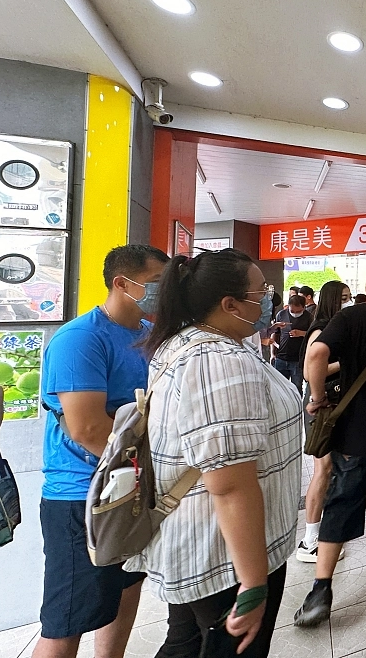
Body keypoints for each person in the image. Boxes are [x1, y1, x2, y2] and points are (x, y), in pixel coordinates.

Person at [128, 248, 302, 658]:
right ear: (230, 304)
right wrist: (253, 583)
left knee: (186, 644)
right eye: (262, 292)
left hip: (211, 545)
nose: (268, 300)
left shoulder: (191, 342)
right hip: (223, 555)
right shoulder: (217, 359)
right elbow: (229, 484)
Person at [33, 244, 168, 658]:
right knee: (68, 619)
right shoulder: (80, 339)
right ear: (122, 284)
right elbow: (87, 428)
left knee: (125, 589)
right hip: (82, 498)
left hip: (128, 488)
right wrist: (147, 465)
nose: (163, 294)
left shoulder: (147, 336)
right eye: (156, 285)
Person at [294, 264, 366, 626]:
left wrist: (316, 397)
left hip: (355, 430)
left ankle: (321, 589)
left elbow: (315, 355)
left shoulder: (351, 317)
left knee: (342, 500)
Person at [296, 280, 351, 563]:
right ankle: (310, 540)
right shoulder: (321, 329)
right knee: (323, 468)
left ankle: (323, 534)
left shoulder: (335, 325)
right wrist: (348, 362)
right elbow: (309, 370)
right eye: (343, 297)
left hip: (333, 404)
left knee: (331, 469)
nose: (348, 301)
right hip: (321, 405)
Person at [271, 295, 313, 391]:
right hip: (281, 357)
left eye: (298, 312)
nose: (294, 313)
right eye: (292, 311)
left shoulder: (309, 317)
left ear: (304, 307)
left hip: (298, 359)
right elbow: (275, 334)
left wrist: (301, 333)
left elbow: (313, 335)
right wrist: (273, 353)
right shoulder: (281, 315)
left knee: (297, 387)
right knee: (279, 387)